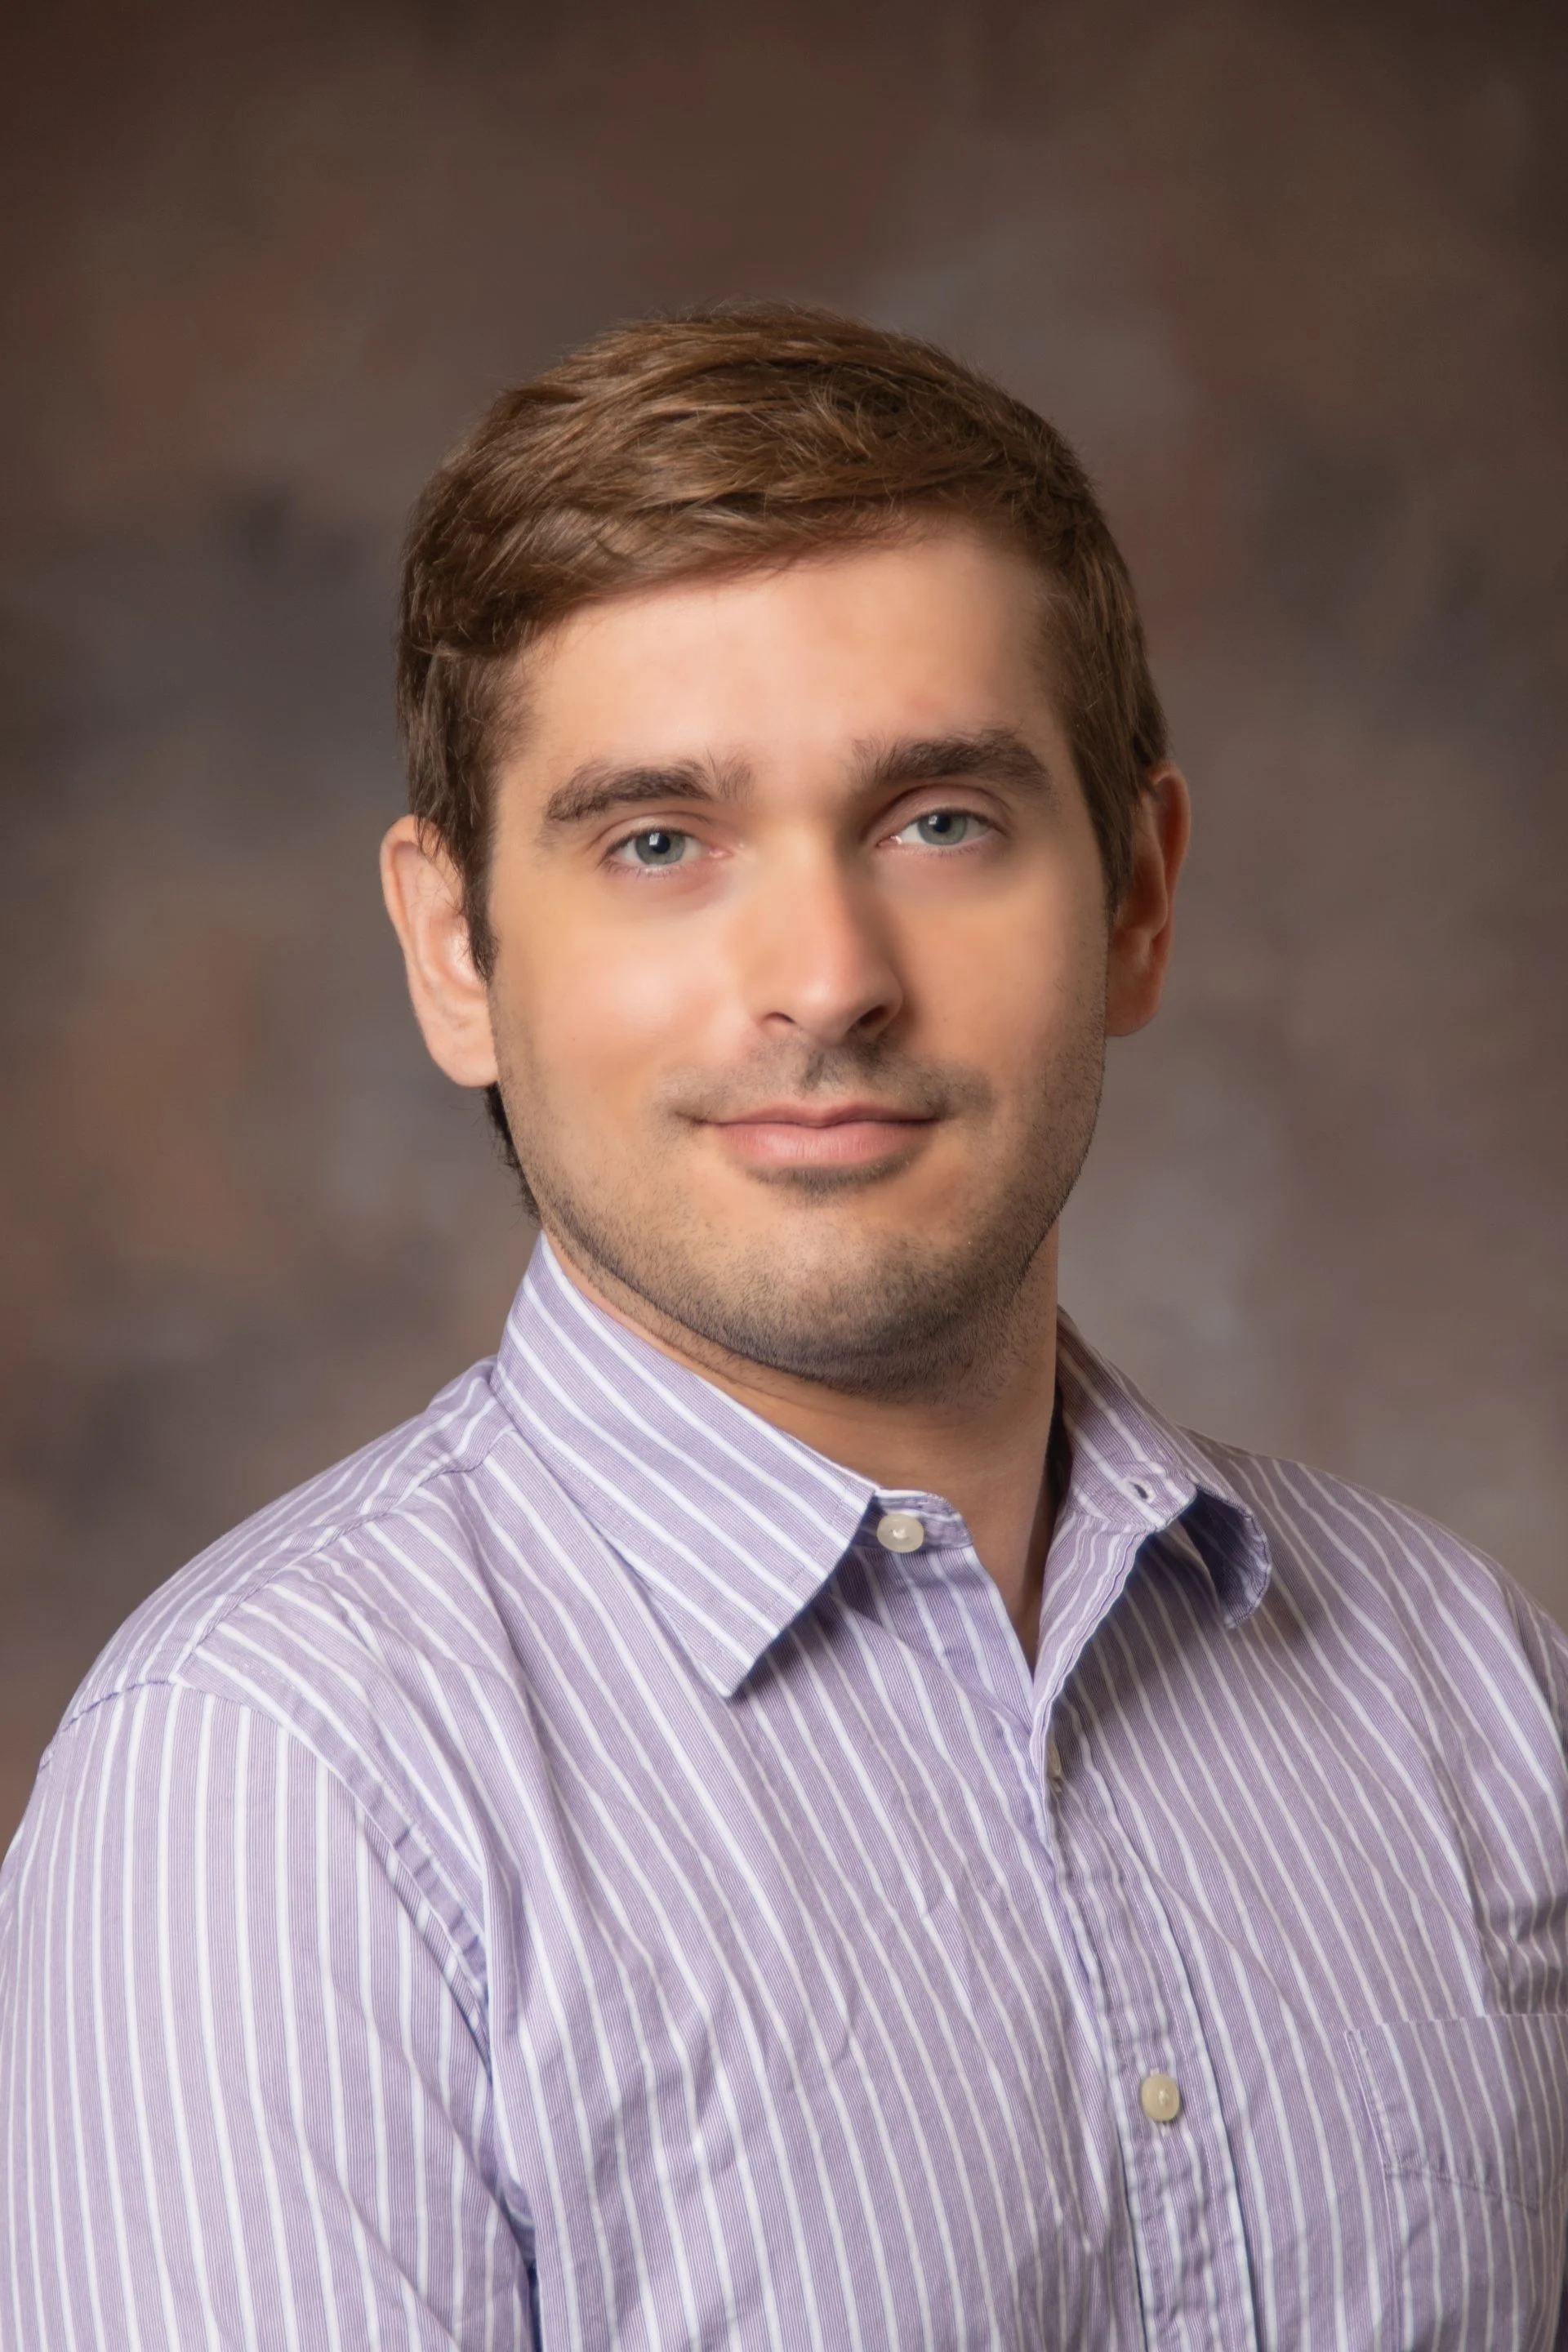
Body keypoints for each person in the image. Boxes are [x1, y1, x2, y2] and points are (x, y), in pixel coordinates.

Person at [2, 305, 1564, 2352]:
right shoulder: (271, 1788)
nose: (825, 979)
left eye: (940, 820)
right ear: (454, 950)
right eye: (659, 842)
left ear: (1140, 902)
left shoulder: (1478, 1692)